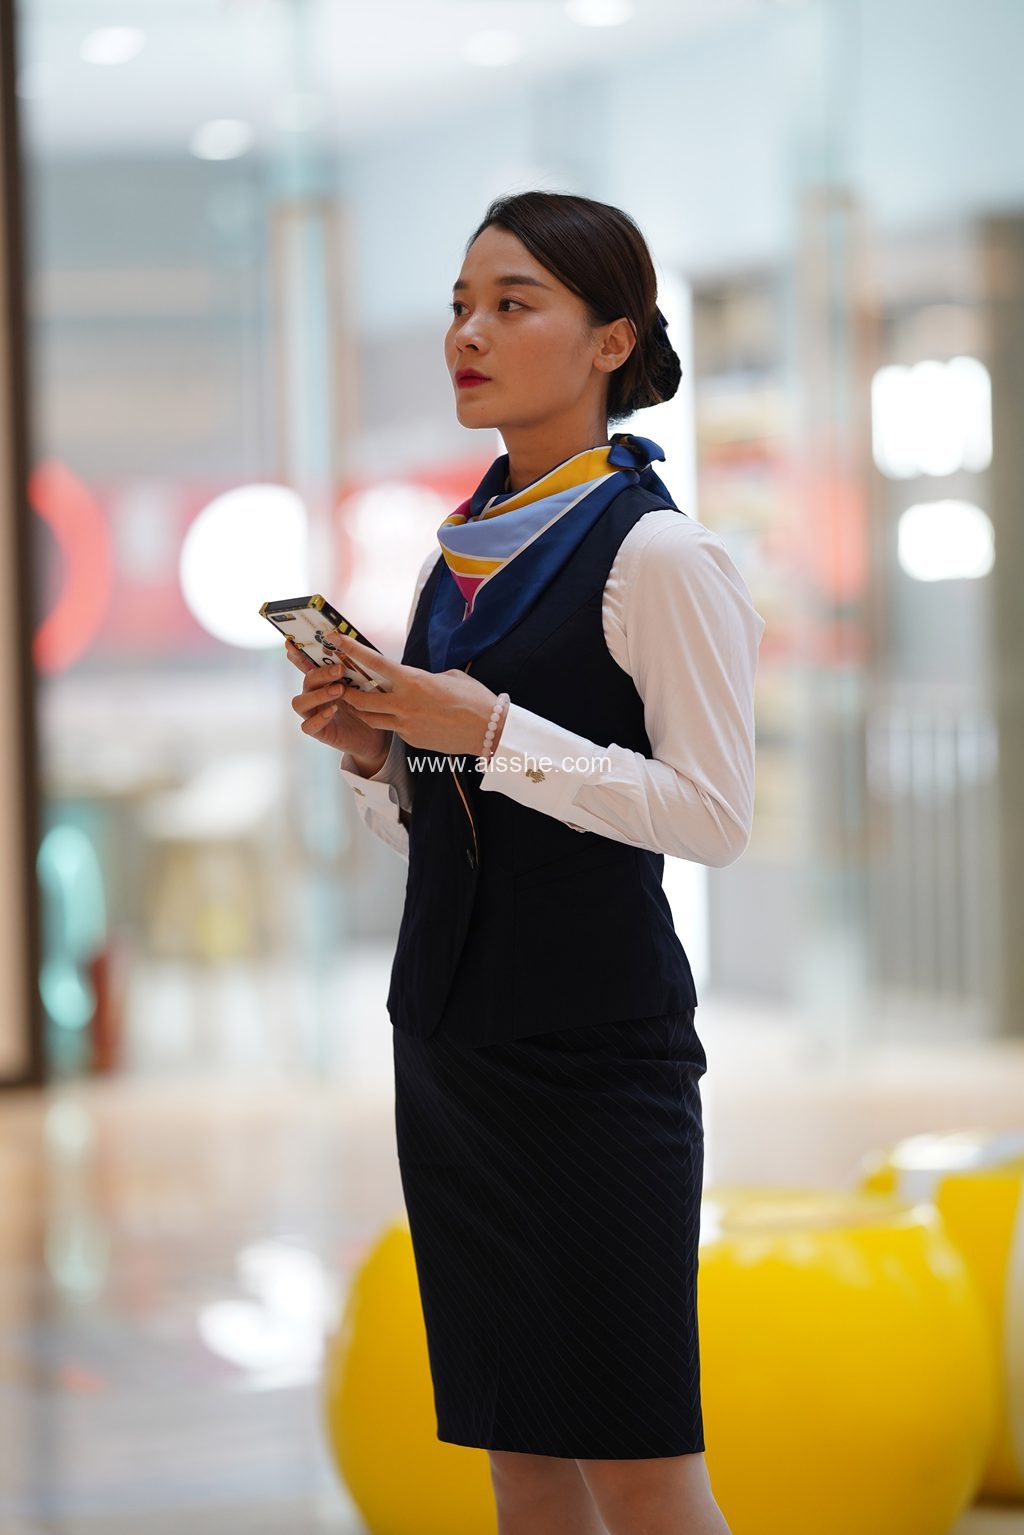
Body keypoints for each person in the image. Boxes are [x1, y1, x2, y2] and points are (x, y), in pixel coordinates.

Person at [285, 190, 764, 1535]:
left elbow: (714, 817)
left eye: (513, 304)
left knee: (642, 1464)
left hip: (594, 1058)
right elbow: (464, 821)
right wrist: (383, 760)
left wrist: (488, 729)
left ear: (612, 340)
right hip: (451, 1050)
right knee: (521, 1456)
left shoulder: (660, 554)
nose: (469, 334)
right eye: (459, 306)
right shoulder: (459, 556)